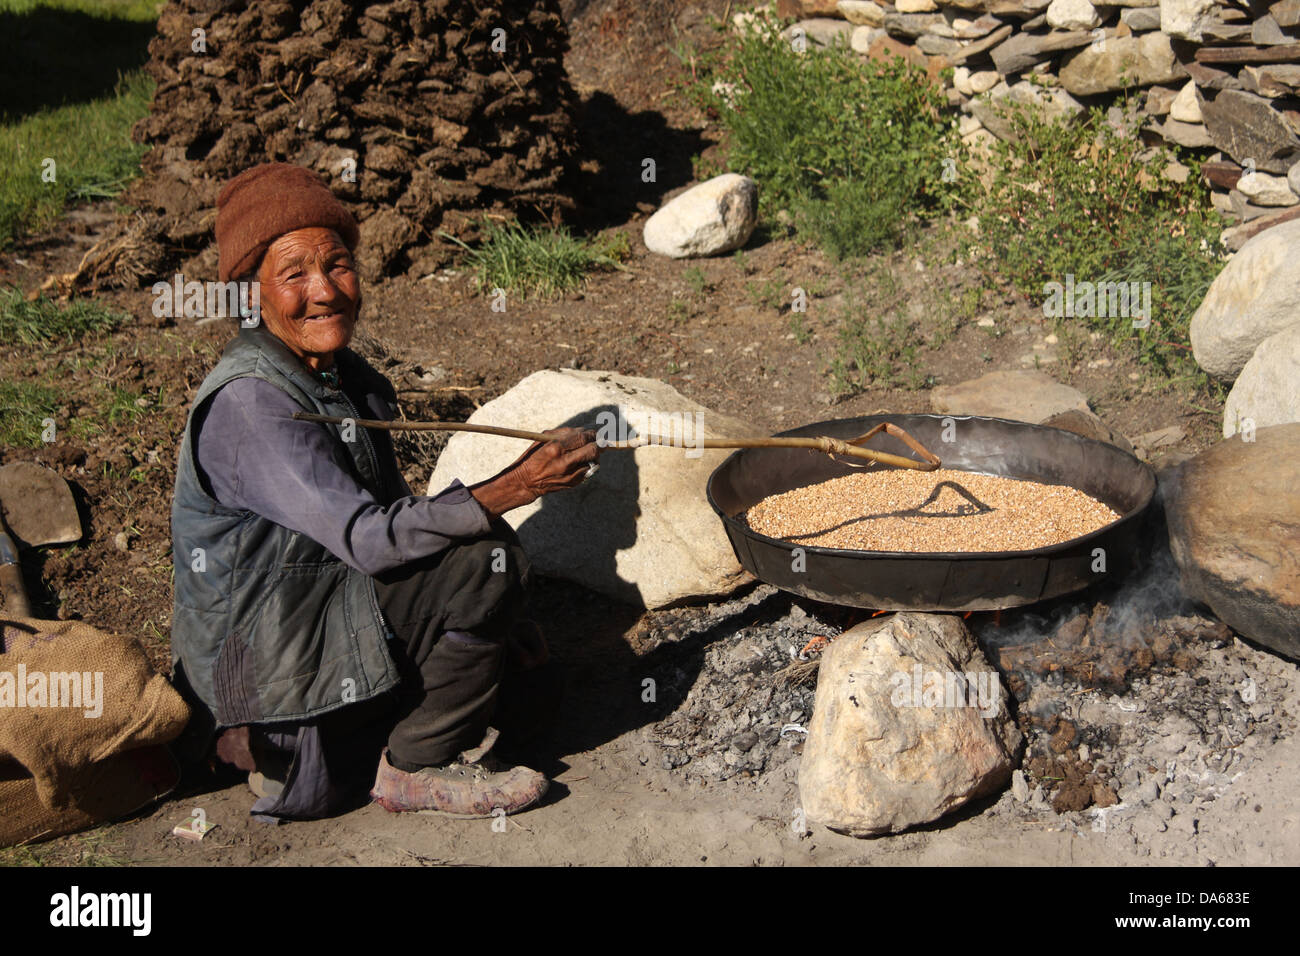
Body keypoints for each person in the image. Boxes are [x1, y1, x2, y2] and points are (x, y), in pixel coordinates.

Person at [169, 162, 600, 821]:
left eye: (338, 265)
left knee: (530, 685)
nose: (326, 291)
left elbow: (395, 518)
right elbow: (370, 539)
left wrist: (487, 619)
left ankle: (390, 730)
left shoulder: (344, 378)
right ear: (252, 295)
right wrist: (513, 486)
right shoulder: (252, 404)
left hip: (318, 609)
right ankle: (410, 768)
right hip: (268, 674)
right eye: (295, 275)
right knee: (485, 561)